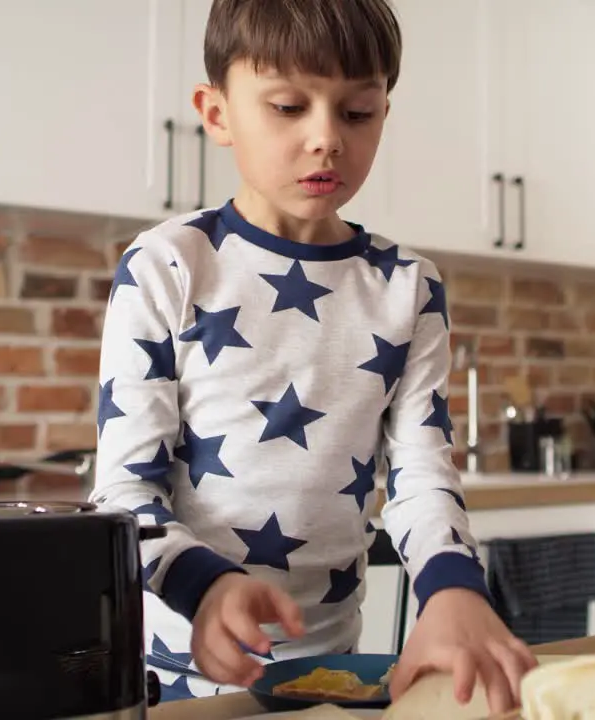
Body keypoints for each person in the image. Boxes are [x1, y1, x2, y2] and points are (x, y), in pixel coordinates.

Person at [89, 0, 535, 708]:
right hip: (176, 676)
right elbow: (122, 496)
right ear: (217, 114)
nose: (326, 138)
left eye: (357, 113)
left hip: (335, 669)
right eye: (289, 106)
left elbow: (419, 474)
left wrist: (453, 588)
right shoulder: (168, 266)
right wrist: (205, 590)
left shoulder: (407, 286)